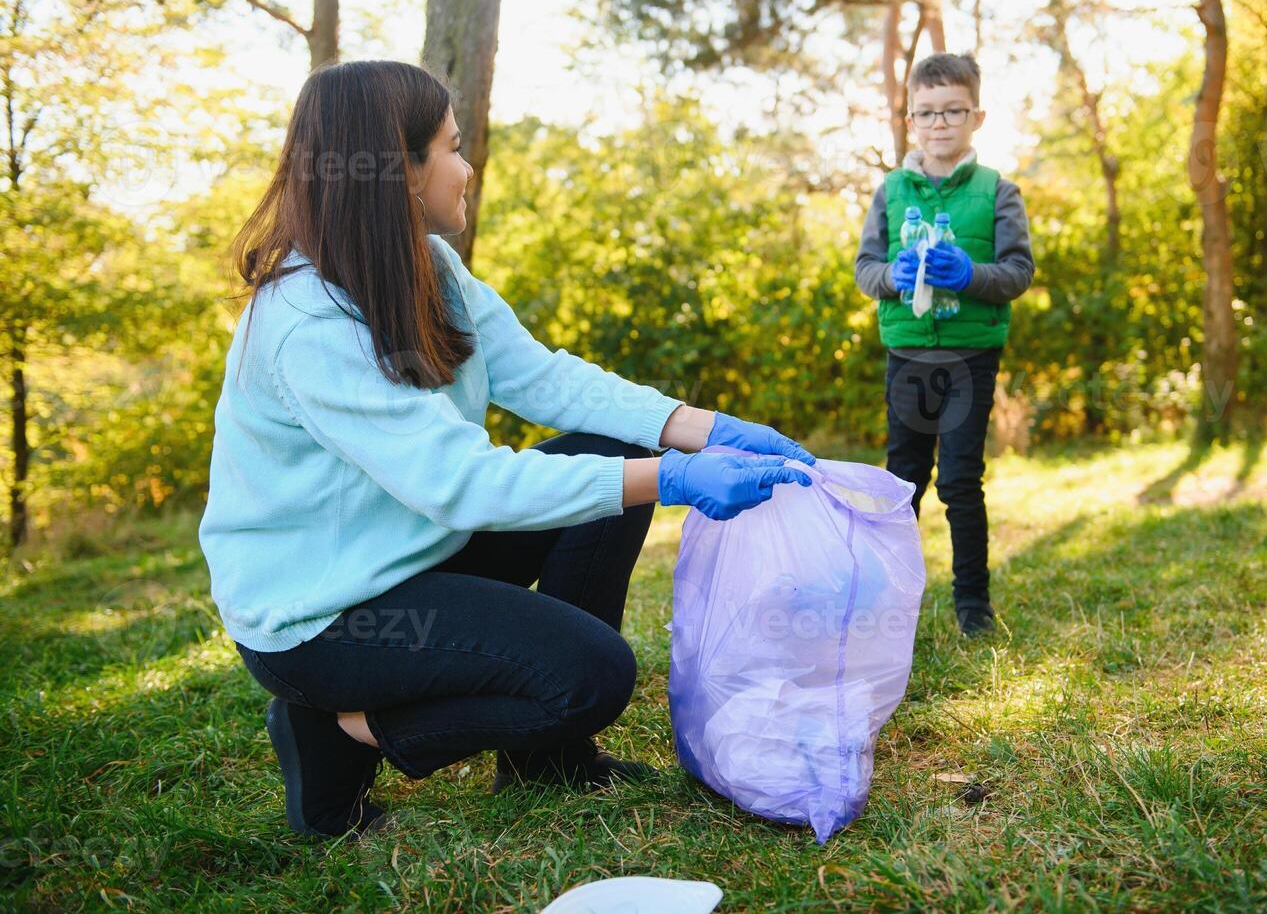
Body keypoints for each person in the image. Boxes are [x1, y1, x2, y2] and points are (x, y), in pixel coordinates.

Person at [199, 60, 816, 838]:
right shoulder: (308, 325)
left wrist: (702, 427)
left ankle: (547, 763)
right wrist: (674, 477)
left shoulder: (426, 266)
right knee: (592, 676)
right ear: (399, 170)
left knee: (603, 449)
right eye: (452, 148)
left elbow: (544, 378)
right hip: (325, 616)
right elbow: (459, 483)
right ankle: (331, 728)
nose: (467, 167)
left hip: (406, 555)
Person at [853, 53, 1036, 637]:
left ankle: (973, 606)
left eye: (952, 111)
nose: (939, 123)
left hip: (969, 356)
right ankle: (887, 597)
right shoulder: (891, 190)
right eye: (926, 113)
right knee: (904, 476)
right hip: (907, 352)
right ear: (911, 119)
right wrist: (892, 279)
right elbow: (865, 268)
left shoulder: (997, 192)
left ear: (976, 117)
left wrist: (971, 275)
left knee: (960, 479)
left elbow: (1018, 271)